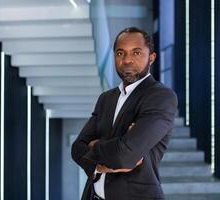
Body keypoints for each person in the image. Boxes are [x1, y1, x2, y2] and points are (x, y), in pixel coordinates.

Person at [71, 27, 178, 200]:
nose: (127, 60)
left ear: (152, 57)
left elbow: (125, 156)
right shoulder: (106, 98)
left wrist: (94, 146)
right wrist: (99, 165)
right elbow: (77, 149)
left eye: (136, 53)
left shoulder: (161, 97)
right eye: (120, 53)